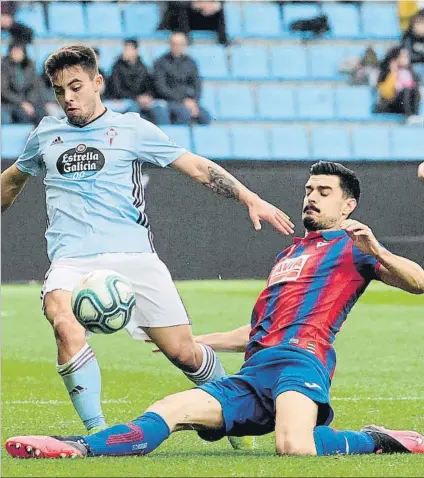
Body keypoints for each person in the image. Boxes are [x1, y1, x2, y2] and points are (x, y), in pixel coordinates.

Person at [5, 161, 424, 459]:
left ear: (348, 206)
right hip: (255, 372)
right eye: (309, 190)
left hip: (302, 362)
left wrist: (377, 249)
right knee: (168, 410)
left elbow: (418, 282)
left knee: (294, 446)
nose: (311, 198)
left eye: (323, 192)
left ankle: (375, 439)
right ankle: (77, 446)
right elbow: (257, 331)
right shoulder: (289, 254)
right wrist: (195, 341)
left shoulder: (356, 248)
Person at [0, 45, 293, 449]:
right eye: (59, 90)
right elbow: (13, 180)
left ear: (97, 83)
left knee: (185, 353)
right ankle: (99, 434)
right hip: (72, 260)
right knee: (64, 323)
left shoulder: (132, 129)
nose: (68, 98)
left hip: (134, 257)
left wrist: (249, 197)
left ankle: (235, 421)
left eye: (76, 87)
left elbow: (195, 166)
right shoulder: (45, 135)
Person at [153, 32, 211, 125]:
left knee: (205, 116)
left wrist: (194, 102)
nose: (177, 47)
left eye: (180, 44)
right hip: (170, 101)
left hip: (189, 101)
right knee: (183, 114)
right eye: (174, 44)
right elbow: (161, 87)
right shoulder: (161, 62)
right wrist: (182, 100)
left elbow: (197, 84)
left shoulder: (191, 63)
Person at [106, 39, 168, 125]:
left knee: (160, 107)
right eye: (125, 49)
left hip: (142, 100)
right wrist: (136, 98)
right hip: (126, 100)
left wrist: (148, 96)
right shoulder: (116, 67)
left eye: (128, 49)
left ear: (136, 51)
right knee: (133, 108)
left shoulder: (143, 67)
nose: (125, 52)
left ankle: (164, 135)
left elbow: (149, 86)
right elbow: (117, 90)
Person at [1, 43, 44, 125]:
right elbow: (4, 91)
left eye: (19, 52)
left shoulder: (30, 65)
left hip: (29, 102)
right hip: (11, 102)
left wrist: (30, 102)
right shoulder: (4, 67)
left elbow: (35, 86)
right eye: (14, 52)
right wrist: (22, 103)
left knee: (41, 113)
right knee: (22, 115)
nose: (17, 54)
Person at [375, 47, 421, 122]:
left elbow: (415, 86)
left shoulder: (410, 71)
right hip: (390, 104)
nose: (407, 59)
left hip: (404, 104)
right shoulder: (386, 72)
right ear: (396, 58)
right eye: (403, 57)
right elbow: (386, 93)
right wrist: (393, 73)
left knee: (414, 90)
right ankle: (409, 116)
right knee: (406, 90)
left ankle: (415, 115)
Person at [158, 1, 229, 46]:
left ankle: (223, 40)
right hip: (179, 21)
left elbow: (221, 2)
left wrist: (214, 4)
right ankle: (185, 39)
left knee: (219, 10)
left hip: (203, 18)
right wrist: (195, 3)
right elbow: (173, 3)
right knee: (182, 11)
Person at [401, 9, 424, 80]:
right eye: (418, 23)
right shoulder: (408, 36)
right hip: (413, 67)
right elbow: (408, 56)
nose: (421, 26)